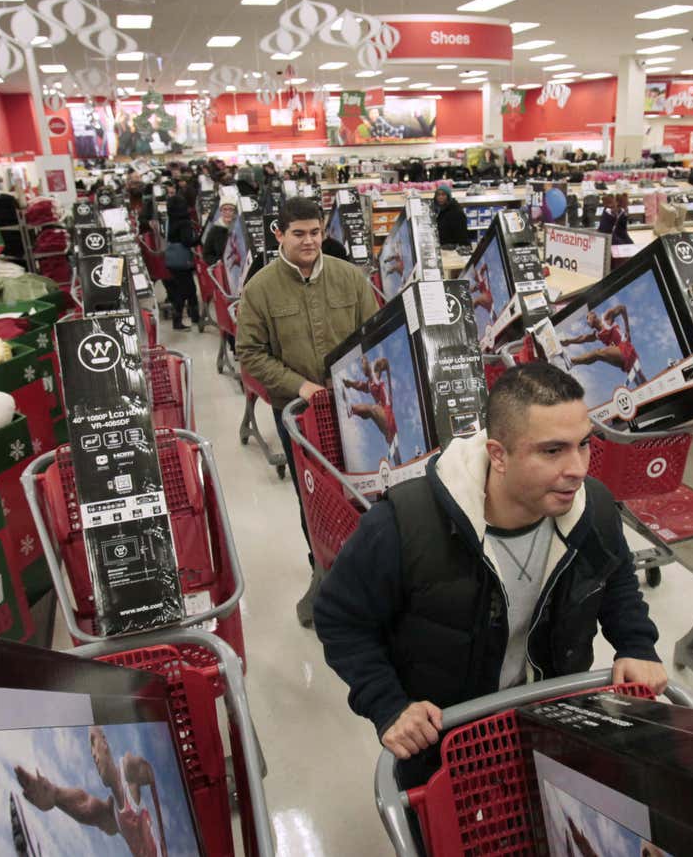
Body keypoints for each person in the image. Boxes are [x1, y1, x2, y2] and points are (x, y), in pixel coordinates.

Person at [314, 363, 665, 776]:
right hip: (444, 743)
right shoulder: (404, 525)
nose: (578, 469)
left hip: (552, 718)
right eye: (553, 451)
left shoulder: (594, 509)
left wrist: (636, 644)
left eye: (584, 444)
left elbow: (615, 578)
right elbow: (340, 618)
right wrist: (387, 704)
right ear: (498, 454)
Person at [237, 197, 379, 625]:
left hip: (353, 407)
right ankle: (324, 576)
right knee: (314, 499)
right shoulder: (260, 288)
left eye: (316, 232)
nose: (309, 241)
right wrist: (301, 386)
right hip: (297, 418)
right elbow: (249, 353)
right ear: (279, 234)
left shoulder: (349, 278)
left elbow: (371, 336)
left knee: (366, 494)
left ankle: (370, 577)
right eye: (299, 233)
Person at [13, 726, 166, 856]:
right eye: (90, 748)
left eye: (94, 742)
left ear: (105, 742)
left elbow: (161, 766)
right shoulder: (117, 816)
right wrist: (54, 794)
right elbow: (86, 806)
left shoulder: (130, 770)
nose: (93, 754)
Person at [561, 307, 648, 387]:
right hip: (619, 357)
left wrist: (627, 330)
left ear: (593, 314)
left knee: (598, 353)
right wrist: (569, 341)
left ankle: (572, 361)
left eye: (587, 318)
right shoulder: (597, 334)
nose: (587, 322)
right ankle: (649, 391)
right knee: (638, 379)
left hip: (625, 349)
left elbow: (622, 308)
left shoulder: (606, 318)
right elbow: (583, 338)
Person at [338, 355, 402, 465]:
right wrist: (348, 383)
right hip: (382, 416)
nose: (362, 369)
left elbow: (386, 362)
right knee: (392, 443)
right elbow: (359, 385)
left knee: (371, 409)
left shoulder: (375, 369)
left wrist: (388, 380)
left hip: (387, 411)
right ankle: (352, 409)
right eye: (361, 365)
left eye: (363, 364)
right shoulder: (368, 384)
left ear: (367, 363)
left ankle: (353, 410)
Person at [162, 195, 201, 330]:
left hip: (171, 257)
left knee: (186, 289)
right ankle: (179, 321)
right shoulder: (184, 222)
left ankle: (195, 317)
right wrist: (199, 239)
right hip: (182, 260)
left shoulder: (170, 219)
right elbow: (187, 241)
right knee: (186, 290)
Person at [201, 199, 236, 266]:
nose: (227, 212)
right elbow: (206, 255)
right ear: (220, 212)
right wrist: (216, 261)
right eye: (224, 209)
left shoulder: (239, 229)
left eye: (231, 209)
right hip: (223, 270)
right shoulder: (215, 230)